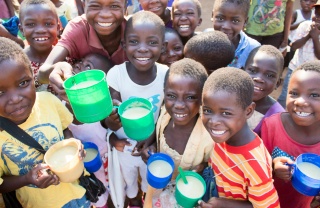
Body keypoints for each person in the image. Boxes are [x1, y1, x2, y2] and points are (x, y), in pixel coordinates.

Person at [0, 37, 90, 207]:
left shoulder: (48, 101)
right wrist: (27, 178)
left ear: (33, 78)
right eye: (0, 93)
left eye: (23, 83)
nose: (15, 99)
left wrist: (72, 143)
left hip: (75, 191)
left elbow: (64, 129)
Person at [101, 11, 168, 207]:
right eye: (134, 42)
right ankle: (133, 199)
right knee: (129, 179)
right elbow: (110, 111)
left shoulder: (166, 75)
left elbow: (167, 113)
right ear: (124, 45)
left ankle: (146, 198)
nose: (143, 49)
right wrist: (110, 120)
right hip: (125, 145)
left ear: (162, 47)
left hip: (152, 145)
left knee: (150, 182)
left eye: (152, 43)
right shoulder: (116, 74)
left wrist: (152, 137)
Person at [200, 67, 280, 208]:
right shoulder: (224, 136)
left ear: (248, 111)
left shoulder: (254, 163)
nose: (213, 121)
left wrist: (223, 204)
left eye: (226, 113)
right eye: (207, 111)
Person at [145, 58, 213, 207]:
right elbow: (157, 132)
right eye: (171, 96)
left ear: (202, 98)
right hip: (157, 188)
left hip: (184, 200)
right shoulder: (165, 114)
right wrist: (152, 148)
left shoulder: (209, 137)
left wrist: (203, 168)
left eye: (190, 97)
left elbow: (213, 169)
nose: (179, 105)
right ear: (164, 93)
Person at [37, 0, 128, 99]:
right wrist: (54, 70)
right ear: (84, 5)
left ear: (125, 6)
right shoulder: (77, 29)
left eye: (114, 6)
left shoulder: (134, 31)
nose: (105, 14)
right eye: (95, 6)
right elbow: (42, 73)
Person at [261, 61, 320, 208]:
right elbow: (259, 164)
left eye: (314, 95)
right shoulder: (272, 125)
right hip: (265, 201)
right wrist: (273, 167)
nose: (300, 101)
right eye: (294, 93)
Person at [68, 54, 113, 208]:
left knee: (114, 192)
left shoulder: (102, 110)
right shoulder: (61, 105)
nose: (79, 67)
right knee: (98, 197)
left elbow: (112, 132)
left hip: (106, 164)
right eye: (80, 62)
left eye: (89, 67)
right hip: (83, 169)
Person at [278, 0, 320, 108]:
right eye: (317, 14)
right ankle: (277, 118)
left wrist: (315, 38)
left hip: (314, 74)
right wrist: (308, 36)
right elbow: (294, 46)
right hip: (295, 68)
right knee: (285, 96)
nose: (318, 18)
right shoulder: (305, 25)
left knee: (307, 99)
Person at [19, 0, 59, 93]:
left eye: (48, 24)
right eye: (31, 24)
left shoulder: (68, 57)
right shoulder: (17, 63)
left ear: (58, 28)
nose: (40, 30)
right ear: (21, 30)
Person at [244, 45, 285, 135]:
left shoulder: (277, 117)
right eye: (253, 70)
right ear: (242, 71)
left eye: (269, 75)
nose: (258, 79)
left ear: (277, 83)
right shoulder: (229, 97)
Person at [212, 0, 260, 69]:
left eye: (235, 21)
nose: (226, 26)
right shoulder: (203, 41)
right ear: (212, 15)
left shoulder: (253, 49)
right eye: (220, 18)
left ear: (245, 22)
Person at [285, 0, 316, 67]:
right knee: (289, 59)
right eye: (305, 1)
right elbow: (288, 26)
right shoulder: (296, 13)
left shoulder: (314, 14)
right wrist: (301, 23)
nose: (308, 3)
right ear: (300, 1)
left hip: (308, 46)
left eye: (312, 1)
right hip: (292, 40)